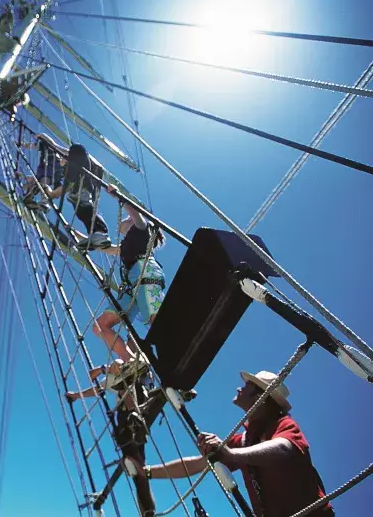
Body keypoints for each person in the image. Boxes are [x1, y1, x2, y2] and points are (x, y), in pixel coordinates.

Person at [144, 371, 334, 517]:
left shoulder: (283, 425)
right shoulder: (245, 441)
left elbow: (285, 449)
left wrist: (231, 454)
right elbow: (198, 464)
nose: (238, 388)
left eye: (247, 385)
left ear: (261, 397)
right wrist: (149, 472)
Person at [65, 356, 158, 517]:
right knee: (138, 471)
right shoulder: (116, 374)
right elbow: (96, 387)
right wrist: (76, 395)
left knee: (138, 469)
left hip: (138, 413)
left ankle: (148, 512)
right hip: (127, 420)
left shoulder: (142, 367)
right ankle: (148, 513)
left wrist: (102, 369)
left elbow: (123, 366)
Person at [93, 184, 165, 361]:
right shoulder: (127, 245)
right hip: (131, 284)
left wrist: (118, 196)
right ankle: (131, 362)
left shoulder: (142, 230)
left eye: (126, 218)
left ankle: (172, 359)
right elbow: (108, 250)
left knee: (156, 323)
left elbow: (138, 216)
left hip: (144, 272)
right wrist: (76, 236)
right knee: (101, 326)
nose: (122, 222)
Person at [44, 143, 111, 251]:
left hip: (84, 185)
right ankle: (96, 236)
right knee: (82, 212)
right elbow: (59, 191)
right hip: (79, 193)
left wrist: (54, 147)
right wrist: (48, 191)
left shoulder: (75, 162)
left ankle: (100, 233)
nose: (61, 161)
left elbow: (77, 152)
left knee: (85, 206)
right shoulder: (69, 176)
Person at [16, 133, 65, 211]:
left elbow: (50, 142)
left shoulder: (49, 147)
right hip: (48, 167)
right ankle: (36, 200)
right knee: (40, 181)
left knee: (42, 180)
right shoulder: (42, 150)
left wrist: (41, 136)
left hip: (52, 164)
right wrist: (22, 144)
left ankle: (44, 202)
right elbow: (31, 145)